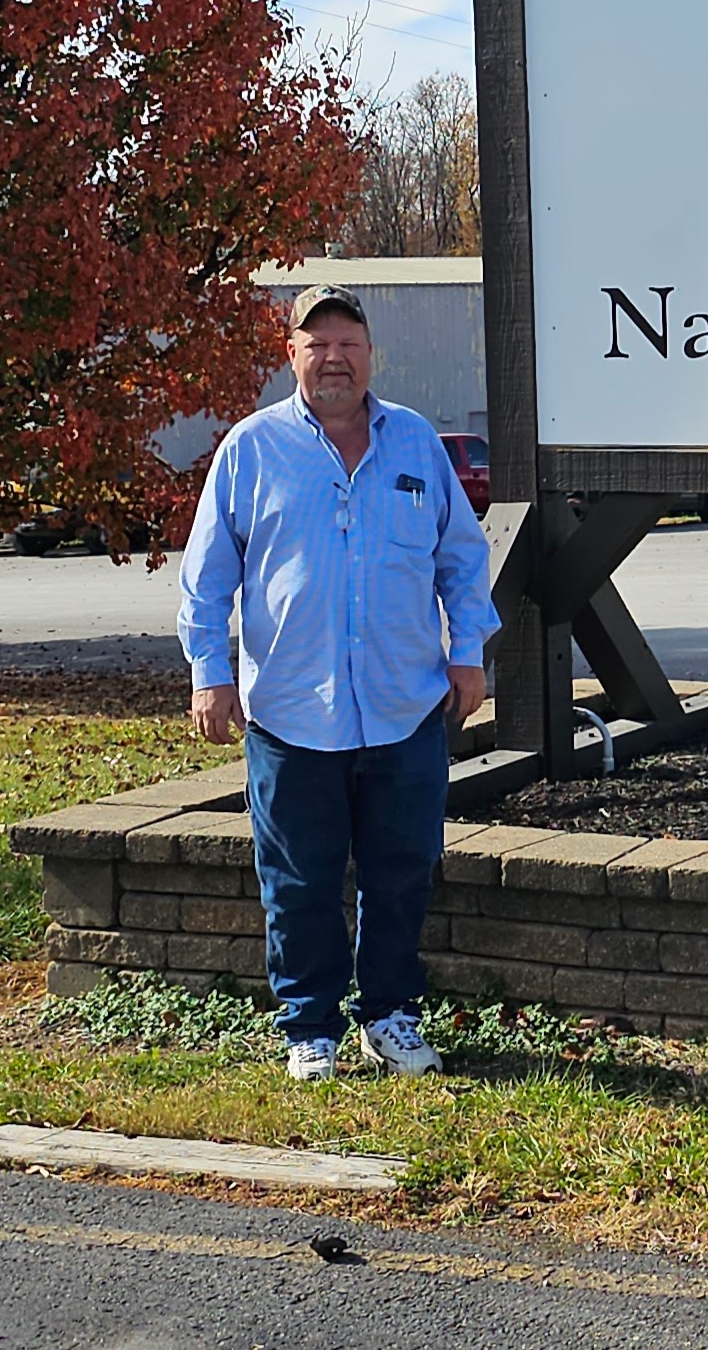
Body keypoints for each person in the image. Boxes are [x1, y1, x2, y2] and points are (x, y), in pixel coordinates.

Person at [179, 282, 498, 1083]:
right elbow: (207, 577)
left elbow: (461, 558)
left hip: (405, 706)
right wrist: (210, 673)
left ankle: (389, 1016)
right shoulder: (251, 450)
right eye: (316, 342)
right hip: (292, 715)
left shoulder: (417, 444)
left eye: (348, 341)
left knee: (400, 874)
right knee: (299, 883)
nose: (334, 357)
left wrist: (468, 652)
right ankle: (310, 1027)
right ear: (290, 353)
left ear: (369, 353)